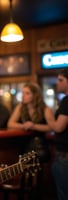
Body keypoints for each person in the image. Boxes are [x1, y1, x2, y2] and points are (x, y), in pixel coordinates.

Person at [7, 82, 54, 199]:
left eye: (27, 93)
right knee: (26, 182)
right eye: (23, 93)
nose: (23, 95)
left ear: (35, 95)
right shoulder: (20, 107)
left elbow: (51, 127)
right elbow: (10, 124)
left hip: (40, 148)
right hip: (25, 147)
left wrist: (33, 126)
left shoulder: (44, 108)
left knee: (39, 184)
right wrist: (23, 126)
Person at [46, 69, 68, 200]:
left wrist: (48, 116)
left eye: (61, 80)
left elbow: (59, 127)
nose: (57, 83)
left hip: (65, 156)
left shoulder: (66, 100)